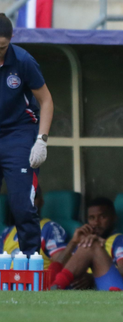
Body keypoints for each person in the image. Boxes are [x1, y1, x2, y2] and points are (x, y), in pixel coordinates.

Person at [0, 14, 53, 256]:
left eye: (2, 46)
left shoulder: (22, 61)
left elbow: (46, 100)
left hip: (18, 133)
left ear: (10, 40)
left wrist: (41, 140)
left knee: (22, 205)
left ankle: (31, 261)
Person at [50, 197, 123, 291]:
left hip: (105, 287)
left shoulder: (119, 240)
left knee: (92, 244)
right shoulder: (84, 240)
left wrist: (92, 277)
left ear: (113, 218)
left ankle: (55, 288)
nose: (96, 223)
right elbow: (58, 267)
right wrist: (73, 242)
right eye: (92, 218)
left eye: (102, 217)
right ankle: (55, 287)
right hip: (78, 287)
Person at [1, 185, 70, 268]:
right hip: (7, 280)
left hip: (38, 280)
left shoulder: (49, 228)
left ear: (41, 201)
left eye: (33, 196)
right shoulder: (7, 232)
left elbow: (62, 264)